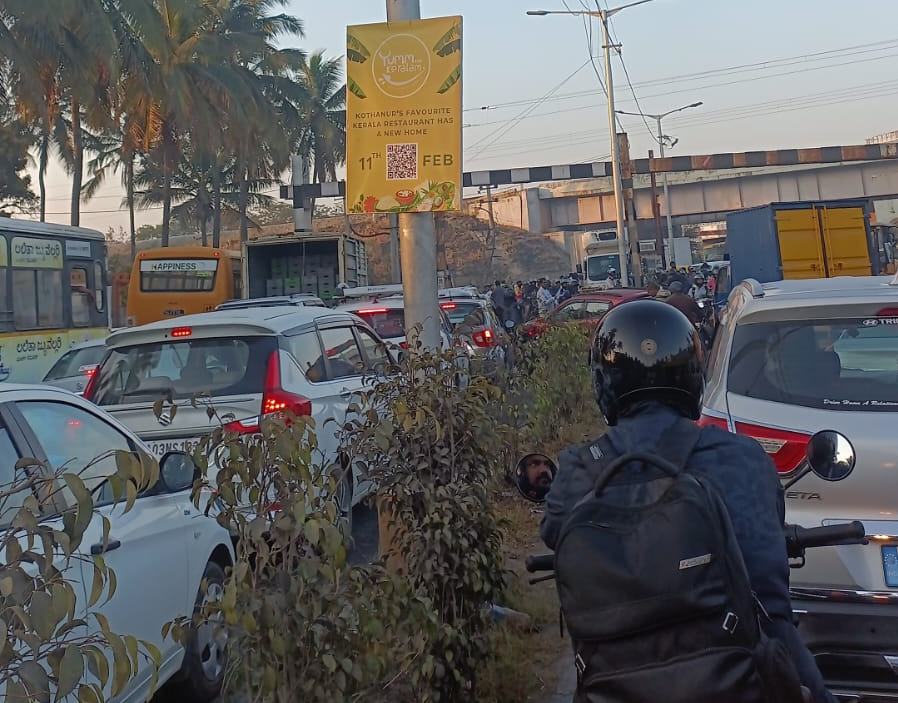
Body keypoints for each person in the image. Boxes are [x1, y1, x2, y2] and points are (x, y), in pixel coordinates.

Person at [540, 300, 835, 703]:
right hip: (744, 675)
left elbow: (554, 531)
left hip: (614, 683)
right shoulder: (742, 458)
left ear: (603, 384)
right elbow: (770, 583)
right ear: (693, 377)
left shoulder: (579, 469)